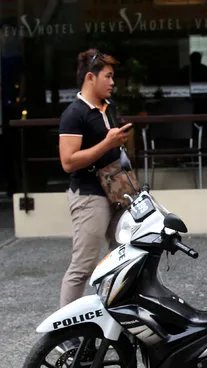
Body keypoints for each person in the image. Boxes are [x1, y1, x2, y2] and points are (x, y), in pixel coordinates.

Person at [58, 48, 132, 307]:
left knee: (124, 255)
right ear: (91, 77)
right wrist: (106, 142)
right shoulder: (74, 114)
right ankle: (65, 333)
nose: (113, 82)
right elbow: (68, 162)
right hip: (89, 196)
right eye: (108, 76)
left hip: (116, 192)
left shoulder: (109, 108)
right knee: (83, 266)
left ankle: (118, 319)